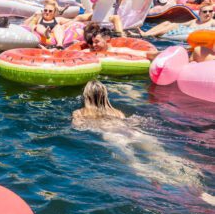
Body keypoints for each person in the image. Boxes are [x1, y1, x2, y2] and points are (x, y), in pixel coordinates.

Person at [72, 82, 215, 205]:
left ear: (86, 96)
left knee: (134, 163)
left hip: (113, 136)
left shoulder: (79, 113)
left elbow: (78, 127)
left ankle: (157, 178)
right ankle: (197, 189)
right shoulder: (117, 112)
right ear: (105, 95)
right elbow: (129, 123)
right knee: (162, 156)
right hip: (135, 133)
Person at [143, 2, 215, 38]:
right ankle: (146, 33)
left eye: (210, 11)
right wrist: (171, 24)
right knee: (167, 22)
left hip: (188, 35)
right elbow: (181, 24)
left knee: (174, 25)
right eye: (205, 12)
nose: (208, 13)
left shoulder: (212, 22)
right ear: (200, 13)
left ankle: (149, 35)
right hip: (181, 32)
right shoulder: (195, 21)